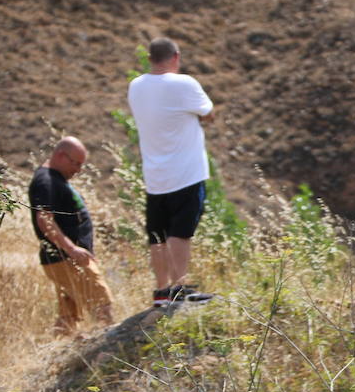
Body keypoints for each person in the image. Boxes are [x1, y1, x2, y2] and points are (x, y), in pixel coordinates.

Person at [127, 37, 215, 307]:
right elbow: (208, 113)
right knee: (180, 232)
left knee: (157, 234)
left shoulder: (136, 86)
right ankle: (180, 287)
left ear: (151, 58)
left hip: (155, 174)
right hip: (185, 172)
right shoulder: (184, 84)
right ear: (175, 57)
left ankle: (162, 291)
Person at [28, 136, 114, 338]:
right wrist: (72, 249)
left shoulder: (55, 180)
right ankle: (109, 355)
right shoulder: (45, 180)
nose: (78, 169)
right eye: (75, 163)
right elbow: (44, 220)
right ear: (59, 155)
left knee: (68, 315)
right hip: (67, 259)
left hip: (66, 259)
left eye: (81, 165)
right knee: (103, 305)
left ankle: (55, 358)